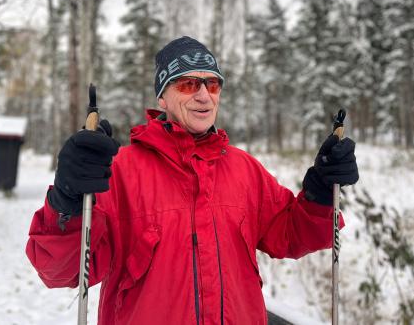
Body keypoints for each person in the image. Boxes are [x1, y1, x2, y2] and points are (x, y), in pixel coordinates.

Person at [26, 36, 359, 325]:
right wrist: (67, 199)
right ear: (162, 97)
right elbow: (60, 270)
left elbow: (291, 234)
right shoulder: (119, 172)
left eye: (212, 84)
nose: (204, 96)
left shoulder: (244, 169)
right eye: (188, 84)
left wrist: (319, 192)